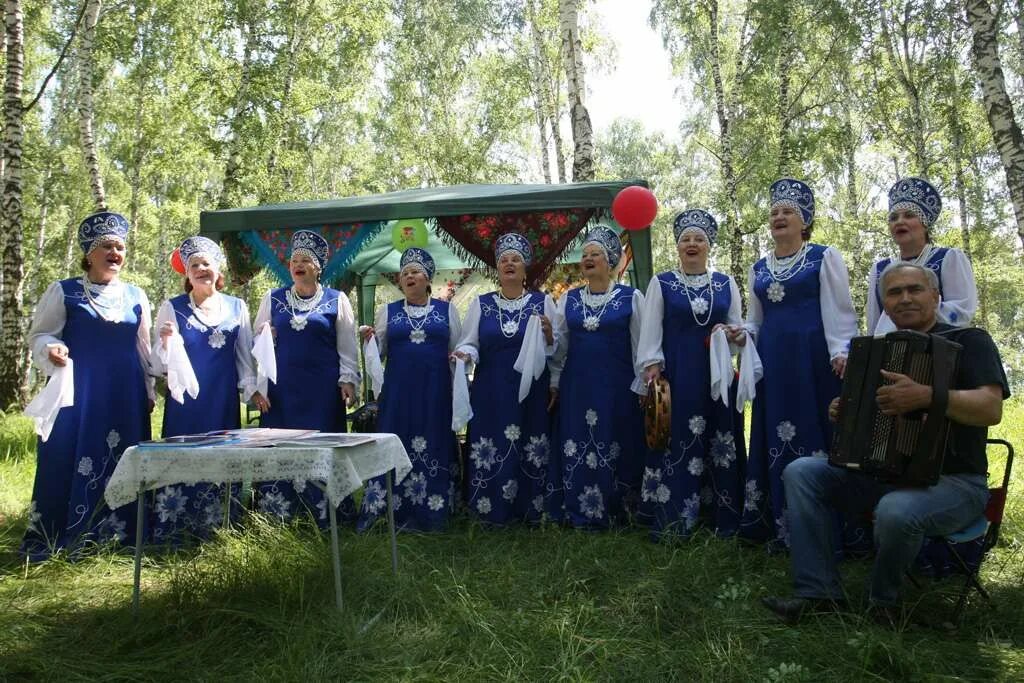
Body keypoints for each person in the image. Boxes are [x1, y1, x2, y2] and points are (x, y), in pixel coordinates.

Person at [762, 262, 1009, 624]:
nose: (904, 298)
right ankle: (818, 593)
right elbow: (869, 416)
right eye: (894, 293)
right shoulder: (875, 351)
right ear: (884, 303)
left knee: (896, 509)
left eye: (915, 289)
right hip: (883, 475)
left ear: (936, 296)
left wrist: (927, 396)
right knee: (802, 472)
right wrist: (846, 411)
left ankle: (883, 605)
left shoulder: (970, 341)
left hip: (956, 483)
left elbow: (990, 409)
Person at [21, 211, 155, 561]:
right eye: (107, 246)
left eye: (121, 247)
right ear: (90, 253)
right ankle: (67, 534)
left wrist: (149, 391)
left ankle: (123, 537)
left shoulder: (136, 296)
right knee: (71, 453)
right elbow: (40, 335)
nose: (115, 253)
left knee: (123, 455)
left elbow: (144, 348)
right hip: (79, 394)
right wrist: (50, 348)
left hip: (125, 394)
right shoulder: (64, 291)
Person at [738, 178, 859, 548]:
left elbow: (840, 311)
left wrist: (841, 351)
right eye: (774, 212)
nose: (779, 217)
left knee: (816, 429)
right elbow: (755, 320)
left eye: (788, 211)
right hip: (773, 364)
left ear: (804, 220)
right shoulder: (759, 267)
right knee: (774, 431)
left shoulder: (824, 257)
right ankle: (779, 523)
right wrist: (739, 333)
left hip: (813, 362)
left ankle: (829, 526)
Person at [636, 210, 746, 538]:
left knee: (718, 438)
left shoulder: (725, 283)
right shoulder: (663, 282)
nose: (692, 244)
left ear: (709, 245)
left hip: (716, 375)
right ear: (678, 246)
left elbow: (738, 328)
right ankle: (674, 518)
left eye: (699, 238)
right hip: (679, 374)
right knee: (679, 438)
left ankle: (721, 516)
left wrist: (733, 335)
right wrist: (652, 368)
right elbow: (651, 330)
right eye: (686, 239)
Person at [149, 236, 263, 543]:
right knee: (182, 456)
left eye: (207, 264)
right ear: (187, 274)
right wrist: (164, 342)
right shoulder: (171, 308)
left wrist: (251, 390)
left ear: (218, 270)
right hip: (185, 403)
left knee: (222, 456)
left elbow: (244, 356)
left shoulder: (237, 306)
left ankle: (223, 527)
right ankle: (176, 528)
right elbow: (157, 362)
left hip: (222, 398)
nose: (201, 269)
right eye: (194, 265)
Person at [253, 229, 360, 525]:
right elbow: (257, 345)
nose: (297, 264)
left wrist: (348, 379)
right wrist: (266, 337)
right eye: (293, 260)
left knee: (322, 446)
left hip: (322, 392)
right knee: (281, 447)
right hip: (281, 392)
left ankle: (328, 516)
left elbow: (347, 346)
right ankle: (277, 516)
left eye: (305, 260)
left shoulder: (337, 300)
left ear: (318, 267)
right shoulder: (272, 299)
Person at [454, 233, 557, 524]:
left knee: (529, 441)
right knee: (492, 442)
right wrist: (464, 354)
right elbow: (469, 341)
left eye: (516, 260)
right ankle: (489, 509)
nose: (509, 263)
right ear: (497, 270)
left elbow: (557, 348)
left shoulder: (543, 302)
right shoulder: (481, 304)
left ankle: (529, 510)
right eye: (503, 260)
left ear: (525, 270)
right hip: (490, 389)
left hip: (531, 390)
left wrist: (549, 335)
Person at [357, 247, 462, 531]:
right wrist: (369, 341)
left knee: (435, 443)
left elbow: (459, 349)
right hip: (399, 396)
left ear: (428, 280)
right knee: (396, 443)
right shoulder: (387, 312)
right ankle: (391, 512)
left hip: (435, 393)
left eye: (415, 272)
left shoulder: (447, 310)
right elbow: (377, 354)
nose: (409, 276)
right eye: (404, 274)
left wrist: (459, 361)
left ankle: (434, 513)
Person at [548, 226, 646, 528]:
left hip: (617, 386)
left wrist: (643, 384)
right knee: (578, 442)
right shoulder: (569, 300)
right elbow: (559, 346)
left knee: (616, 440)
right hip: (577, 387)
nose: (588, 258)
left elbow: (641, 345)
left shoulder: (632, 297)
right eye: (585, 254)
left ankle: (619, 511)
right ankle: (579, 509)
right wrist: (554, 382)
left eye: (596, 254)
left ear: (612, 260)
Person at [867, 177, 977, 335]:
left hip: (941, 346)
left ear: (925, 223)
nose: (899, 222)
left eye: (909, 215)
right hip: (891, 350)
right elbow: (874, 322)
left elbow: (963, 310)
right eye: (893, 218)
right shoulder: (880, 269)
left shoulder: (948, 258)